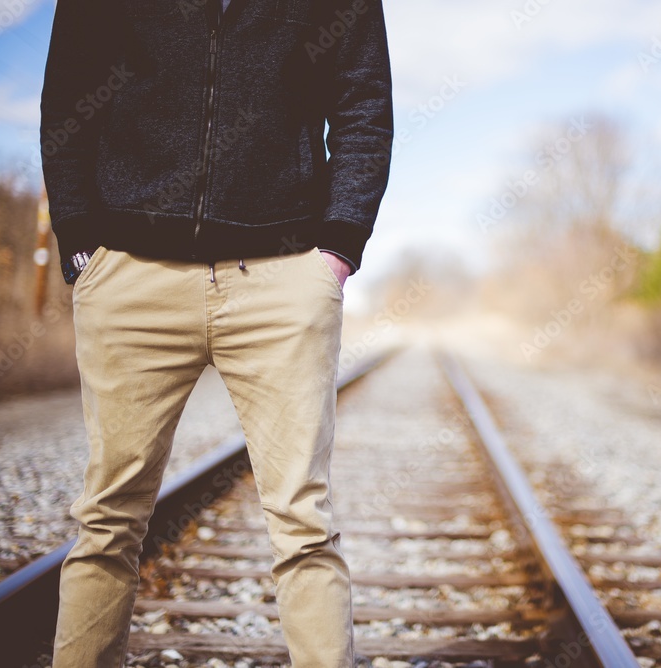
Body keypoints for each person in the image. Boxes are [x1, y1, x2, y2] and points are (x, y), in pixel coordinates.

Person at [40, 0, 393, 664]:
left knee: (304, 524)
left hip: (282, 274)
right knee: (106, 522)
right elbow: (69, 94)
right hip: (130, 273)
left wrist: (338, 248)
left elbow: (363, 104)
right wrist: (81, 243)